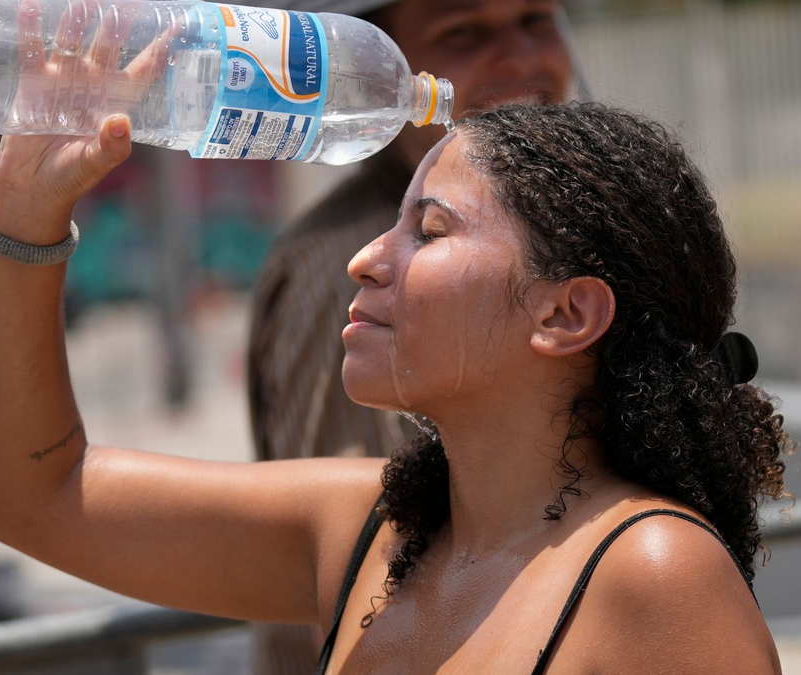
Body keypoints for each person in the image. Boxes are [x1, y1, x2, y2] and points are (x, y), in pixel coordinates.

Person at [0, 96, 791, 672]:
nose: (366, 258)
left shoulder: (655, 573)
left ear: (565, 312)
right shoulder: (366, 530)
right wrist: (23, 216)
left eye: (429, 230)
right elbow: (32, 491)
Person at [247, 1, 577, 662]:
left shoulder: (549, 229)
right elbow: (372, 573)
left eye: (536, 20)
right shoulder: (355, 274)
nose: (521, 58)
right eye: (463, 32)